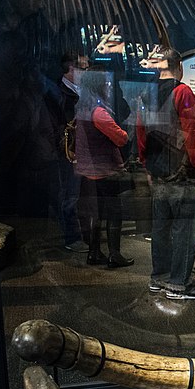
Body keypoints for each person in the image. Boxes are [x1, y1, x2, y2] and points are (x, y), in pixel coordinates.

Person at [138, 48, 195, 299]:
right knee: (185, 230)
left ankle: (158, 277)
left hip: (158, 171)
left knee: (160, 227)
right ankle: (178, 285)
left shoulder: (146, 93)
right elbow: (193, 133)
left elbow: (140, 131)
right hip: (182, 173)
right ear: (178, 66)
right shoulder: (183, 92)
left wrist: (145, 163)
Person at [75, 67, 134, 268]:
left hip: (87, 171)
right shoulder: (99, 112)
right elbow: (121, 138)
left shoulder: (81, 108)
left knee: (95, 213)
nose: (108, 86)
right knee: (113, 213)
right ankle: (114, 254)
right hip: (105, 171)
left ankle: (94, 252)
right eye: (104, 83)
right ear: (97, 85)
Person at [57, 51, 89, 252]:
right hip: (69, 151)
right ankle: (71, 237)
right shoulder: (60, 93)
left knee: (79, 195)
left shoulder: (77, 90)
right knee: (70, 195)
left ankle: (81, 235)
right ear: (71, 68)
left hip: (82, 149)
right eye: (83, 68)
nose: (86, 73)